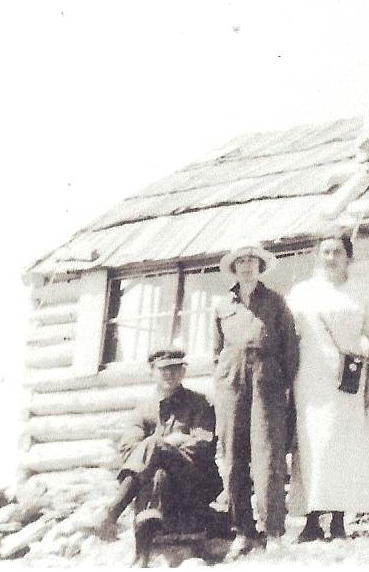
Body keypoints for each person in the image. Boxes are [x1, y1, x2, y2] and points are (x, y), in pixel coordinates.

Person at [287, 232, 369, 541]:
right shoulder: (302, 293)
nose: (330, 258)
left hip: (348, 382)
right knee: (310, 447)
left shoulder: (364, 294)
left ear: (349, 257)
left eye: (337, 252)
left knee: (343, 448)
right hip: (309, 381)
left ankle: (338, 520)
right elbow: (288, 337)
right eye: (325, 252)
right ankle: (310, 520)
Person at [94, 348, 220, 565]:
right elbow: (128, 447)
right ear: (152, 372)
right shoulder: (144, 409)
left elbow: (203, 443)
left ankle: (112, 512)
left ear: (183, 371)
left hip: (194, 479)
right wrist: (169, 443)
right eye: (163, 370)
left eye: (175, 368)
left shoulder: (200, 403)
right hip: (157, 481)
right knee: (158, 473)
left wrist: (164, 446)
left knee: (154, 446)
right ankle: (143, 556)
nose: (170, 374)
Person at [212, 241, 297, 558]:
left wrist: (280, 384)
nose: (246, 266)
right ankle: (243, 531)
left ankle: (273, 529)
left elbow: (290, 348)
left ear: (260, 267)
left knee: (268, 459)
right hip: (231, 384)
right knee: (233, 458)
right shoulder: (222, 306)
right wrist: (224, 382)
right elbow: (216, 352)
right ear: (233, 268)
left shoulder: (275, 303)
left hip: (267, 385)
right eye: (240, 261)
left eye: (252, 261)